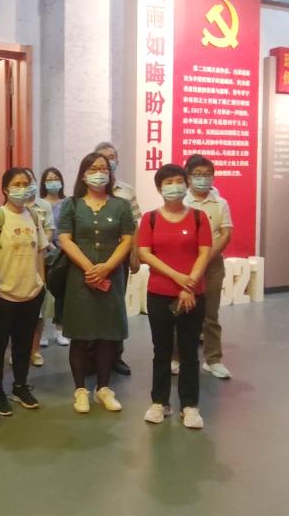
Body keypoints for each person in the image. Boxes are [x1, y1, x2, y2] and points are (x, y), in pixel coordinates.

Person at [57, 152, 135, 413]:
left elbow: (127, 240)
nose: (99, 173)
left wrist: (107, 267)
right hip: (80, 278)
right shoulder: (72, 205)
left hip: (111, 277)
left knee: (107, 335)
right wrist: (89, 267)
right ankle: (80, 390)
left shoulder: (121, 205)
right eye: (92, 168)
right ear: (83, 174)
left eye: (103, 168)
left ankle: (103, 388)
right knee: (80, 335)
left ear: (110, 174)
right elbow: (65, 239)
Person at [137, 164, 212, 429]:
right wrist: (177, 277)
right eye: (168, 182)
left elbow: (204, 252)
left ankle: (190, 406)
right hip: (159, 294)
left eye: (179, 181)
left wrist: (188, 286)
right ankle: (160, 402)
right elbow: (145, 253)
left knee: (190, 351)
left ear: (186, 184)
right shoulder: (150, 219)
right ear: (159, 188)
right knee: (162, 350)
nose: (174, 186)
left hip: (192, 295)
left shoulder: (199, 218)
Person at [0, 168, 48, 416]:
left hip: (31, 291)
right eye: (17, 184)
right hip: (3, 292)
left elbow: (41, 250)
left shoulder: (33, 215)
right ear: (5, 189)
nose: (23, 188)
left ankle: (20, 386)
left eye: (27, 183)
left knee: (23, 344)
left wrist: (41, 282)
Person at [175, 154, 234, 380]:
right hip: (184, 265)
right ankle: (176, 357)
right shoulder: (180, 202)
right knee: (180, 312)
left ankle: (213, 360)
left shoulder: (221, 203)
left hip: (212, 264)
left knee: (210, 314)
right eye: (198, 175)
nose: (203, 179)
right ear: (188, 177)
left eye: (208, 175)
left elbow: (226, 234)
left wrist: (206, 257)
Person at [94, 141, 140, 376]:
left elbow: (135, 226)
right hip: (94, 258)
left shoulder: (127, 191)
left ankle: (116, 356)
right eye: (103, 157)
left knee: (116, 307)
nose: (108, 161)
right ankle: (92, 357)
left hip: (120, 257)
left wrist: (135, 256)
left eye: (112, 157)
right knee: (94, 307)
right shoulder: (86, 190)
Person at [23, 168, 55, 365]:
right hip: (17, 263)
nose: (27, 186)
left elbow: (50, 231)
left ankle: (35, 350)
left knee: (39, 311)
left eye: (30, 181)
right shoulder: (9, 207)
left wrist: (39, 242)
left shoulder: (44, 206)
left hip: (40, 261)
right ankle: (19, 350)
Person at [40, 167, 71, 347]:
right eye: (49, 179)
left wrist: (61, 249)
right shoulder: (39, 204)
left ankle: (60, 329)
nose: (53, 182)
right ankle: (42, 331)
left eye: (56, 178)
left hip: (64, 253)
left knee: (62, 293)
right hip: (44, 253)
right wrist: (50, 247)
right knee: (43, 294)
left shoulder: (68, 202)